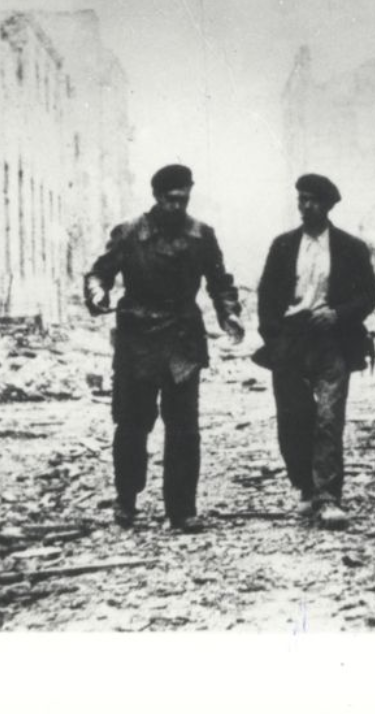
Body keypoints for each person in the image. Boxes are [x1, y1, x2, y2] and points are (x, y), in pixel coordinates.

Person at [84, 164, 245, 532]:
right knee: (131, 425)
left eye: (184, 199)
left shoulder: (202, 235)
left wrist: (229, 314)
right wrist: (98, 291)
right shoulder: (128, 233)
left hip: (182, 340)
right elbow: (100, 271)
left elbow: (220, 282)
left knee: (184, 428)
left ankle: (182, 510)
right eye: (171, 199)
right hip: (137, 338)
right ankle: (126, 501)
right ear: (156, 197)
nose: (177, 206)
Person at [256, 174, 375, 530]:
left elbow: (370, 295)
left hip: (333, 340)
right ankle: (306, 488)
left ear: (328, 205)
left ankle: (328, 497)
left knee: (329, 417)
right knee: (294, 418)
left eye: (312, 200)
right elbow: (266, 296)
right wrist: (275, 338)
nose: (305, 206)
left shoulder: (350, 248)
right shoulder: (283, 246)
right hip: (291, 341)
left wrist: (338, 314)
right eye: (301, 200)